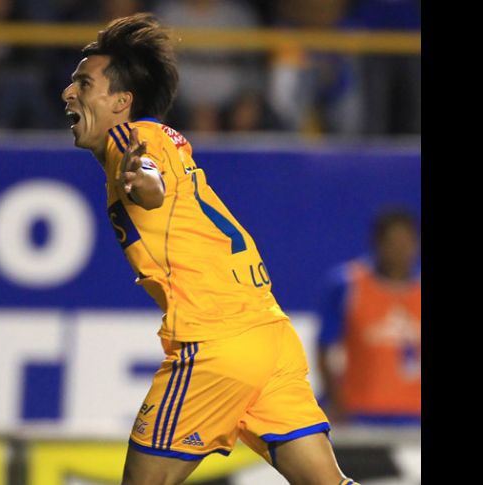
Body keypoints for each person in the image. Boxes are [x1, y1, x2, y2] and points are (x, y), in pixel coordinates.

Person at [61, 13, 359, 485]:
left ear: (121, 101)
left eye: (83, 83)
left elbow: (149, 178)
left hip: (215, 342)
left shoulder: (130, 140)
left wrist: (144, 181)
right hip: (269, 336)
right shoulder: (159, 139)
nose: (68, 93)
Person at [317, 209, 421, 425]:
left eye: (406, 243)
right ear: (377, 244)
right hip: (360, 414)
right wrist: (336, 403)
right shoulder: (347, 284)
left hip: (415, 415)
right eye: (393, 243)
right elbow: (324, 348)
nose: (400, 251)